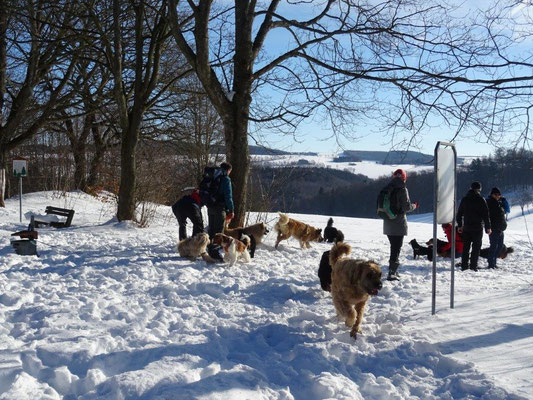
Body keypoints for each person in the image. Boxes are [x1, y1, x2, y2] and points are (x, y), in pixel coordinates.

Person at [383, 169, 418, 281]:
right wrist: (414, 206)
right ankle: (392, 272)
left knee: (394, 247)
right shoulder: (402, 189)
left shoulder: (388, 188)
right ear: (404, 177)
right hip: (398, 223)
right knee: (396, 248)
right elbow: (406, 207)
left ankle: (393, 270)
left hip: (388, 222)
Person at [456, 181, 491, 272]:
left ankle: (464, 266)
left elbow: (459, 214)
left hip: (467, 227)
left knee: (466, 248)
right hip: (477, 228)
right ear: (479, 189)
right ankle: (473, 266)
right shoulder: (481, 200)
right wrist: (488, 227)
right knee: (476, 248)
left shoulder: (465, 199)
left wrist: (460, 225)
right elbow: (486, 215)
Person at [207, 162, 234, 238]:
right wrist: (231, 210)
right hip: (220, 208)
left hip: (210, 206)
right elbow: (228, 196)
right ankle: (215, 249)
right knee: (219, 233)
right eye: (229, 172)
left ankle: (210, 248)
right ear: (228, 170)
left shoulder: (212, 177)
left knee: (211, 230)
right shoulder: (226, 179)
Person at [486, 187, 507, 269]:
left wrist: (504, 201)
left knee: (500, 246)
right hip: (493, 228)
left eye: (499, 194)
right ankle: (491, 263)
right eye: (495, 194)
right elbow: (487, 216)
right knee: (493, 246)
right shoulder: (489, 202)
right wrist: (488, 227)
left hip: (500, 228)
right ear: (492, 194)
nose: (497, 196)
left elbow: (507, 210)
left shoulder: (499, 202)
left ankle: (493, 262)